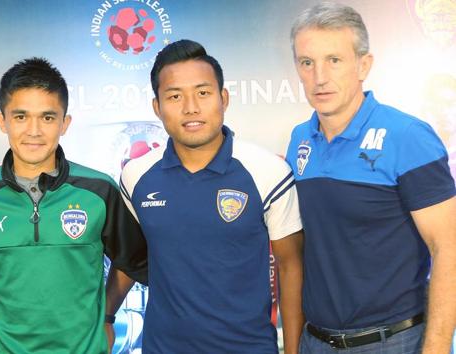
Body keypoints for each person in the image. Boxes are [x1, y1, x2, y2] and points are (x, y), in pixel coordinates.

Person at [109, 39, 305, 353]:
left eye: (203, 92)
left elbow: (291, 268)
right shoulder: (136, 175)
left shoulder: (267, 171)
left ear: (223, 98)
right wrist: (106, 316)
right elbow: (130, 258)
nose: (191, 107)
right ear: (157, 107)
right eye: (175, 96)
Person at [0, 57, 147, 353]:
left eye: (48, 117)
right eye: (21, 116)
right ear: (2, 121)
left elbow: (133, 261)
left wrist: (107, 316)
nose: (34, 131)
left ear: (65, 123)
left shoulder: (99, 191)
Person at [286, 3, 456, 353]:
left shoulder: (407, 136)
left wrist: (437, 348)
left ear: (364, 65)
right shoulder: (300, 139)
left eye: (334, 60)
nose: (320, 77)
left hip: (391, 342)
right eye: (307, 62)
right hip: (314, 341)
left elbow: (449, 248)